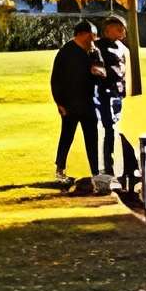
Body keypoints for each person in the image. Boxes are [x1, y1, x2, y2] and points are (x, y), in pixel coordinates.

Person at [48, 20, 102, 191]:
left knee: (92, 138)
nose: (94, 39)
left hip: (89, 102)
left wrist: (98, 72)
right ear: (82, 34)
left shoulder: (93, 52)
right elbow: (55, 79)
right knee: (67, 136)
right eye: (92, 35)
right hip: (70, 104)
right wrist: (59, 103)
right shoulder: (65, 52)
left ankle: (96, 173)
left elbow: (102, 73)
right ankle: (60, 170)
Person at [92, 15, 133, 183]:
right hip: (105, 93)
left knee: (116, 128)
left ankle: (121, 165)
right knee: (110, 128)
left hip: (118, 93)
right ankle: (108, 166)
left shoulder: (122, 47)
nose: (123, 32)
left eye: (123, 29)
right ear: (108, 30)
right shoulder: (98, 47)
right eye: (118, 29)